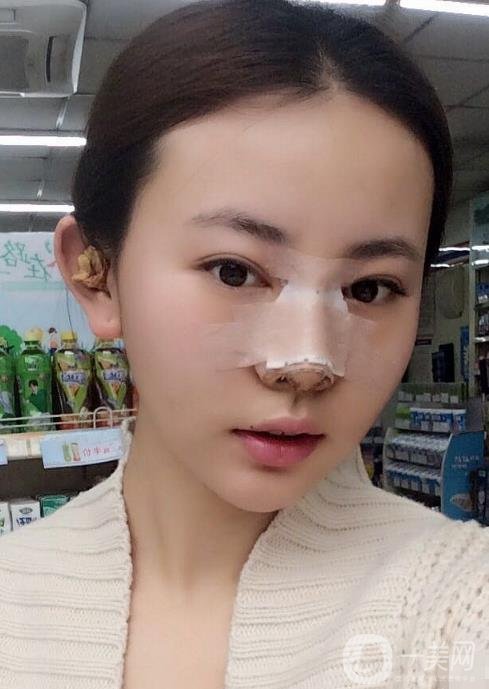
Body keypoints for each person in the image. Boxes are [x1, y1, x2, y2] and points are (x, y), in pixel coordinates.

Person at [1, 1, 488, 688]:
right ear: (96, 274)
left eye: (370, 287)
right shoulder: (13, 603)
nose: (306, 364)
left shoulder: (457, 605)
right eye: (234, 271)